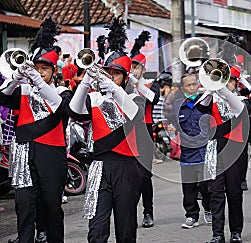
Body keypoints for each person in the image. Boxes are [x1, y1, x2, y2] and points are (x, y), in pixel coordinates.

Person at [69, 17, 145, 242]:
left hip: (127, 167)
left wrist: (112, 87)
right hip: (99, 166)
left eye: (116, 73)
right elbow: (74, 110)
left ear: (124, 77)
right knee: (97, 228)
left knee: (126, 228)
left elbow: (134, 113)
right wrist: (86, 80)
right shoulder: (94, 97)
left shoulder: (133, 97)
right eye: (108, 72)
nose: (111, 76)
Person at [0, 16, 72, 243]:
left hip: (51, 154)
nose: (39, 72)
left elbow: (61, 109)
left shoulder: (63, 92)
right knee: (24, 206)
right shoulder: (22, 91)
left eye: (44, 68)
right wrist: (17, 76)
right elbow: (2, 96)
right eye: (36, 68)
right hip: (23, 153)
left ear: (53, 71)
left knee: (51, 206)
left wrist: (38, 83)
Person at [205, 64, 251, 243]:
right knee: (215, 193)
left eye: (229, 80)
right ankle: (217, 234)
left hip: (235, 148)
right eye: (223, 79)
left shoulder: (243, 100)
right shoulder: (212, 100)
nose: (225, 83)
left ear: (236, 82)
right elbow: (199, 110)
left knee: (234, 192)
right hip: (214, 149)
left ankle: (236, 231)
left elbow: (241, 110)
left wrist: (222, 90)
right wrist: (209, 91)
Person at [166, 73, 212, 229]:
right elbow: (173, 125)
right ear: (182, 88)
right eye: (188, 85)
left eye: (194, 84)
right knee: (189, 188)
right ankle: (191, 215)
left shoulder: (207, 101)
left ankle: (209, 208)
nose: (192, 88)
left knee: (206, 186)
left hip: (205, 150)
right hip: (187, 153)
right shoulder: (178, 105)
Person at [127, 31, 160, 228]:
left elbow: (153, 99)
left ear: (143, 68)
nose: (134, 70)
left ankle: (148, 211)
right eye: (131, 67)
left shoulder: (150, 84)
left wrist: (136, 83)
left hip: (145, 131)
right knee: (128, 175)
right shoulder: (123, 85)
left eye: (137, 67)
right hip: (127, 131)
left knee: (145, 175)